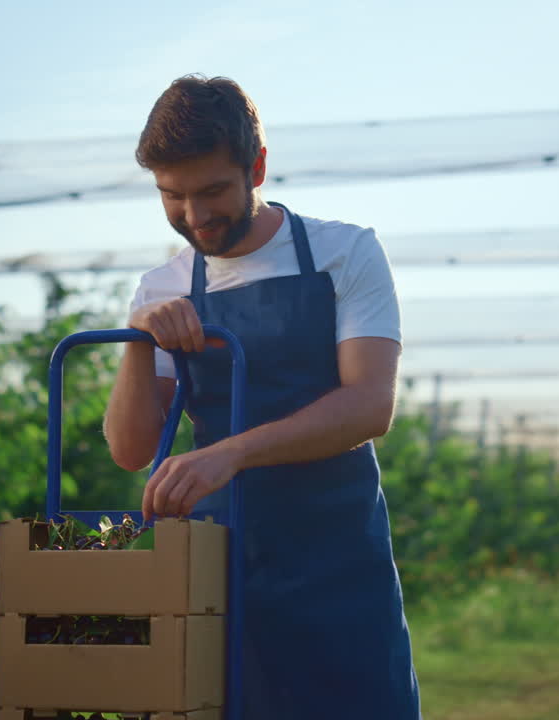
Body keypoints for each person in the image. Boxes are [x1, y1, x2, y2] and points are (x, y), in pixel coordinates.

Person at [103, 74, 420, 719]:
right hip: (216, 559)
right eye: (172, 196)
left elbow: (367, 405)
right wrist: (137, 341)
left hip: (336, 551)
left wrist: (230, 454)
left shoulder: (344, 253)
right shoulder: (161, 288)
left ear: (259, 167)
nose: (194, 217)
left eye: (213, 191)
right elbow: (132, 449)